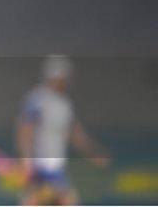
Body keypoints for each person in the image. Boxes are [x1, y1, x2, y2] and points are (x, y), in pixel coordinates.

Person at [16, 55, 110, 205]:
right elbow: (25, 131)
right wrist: (27, 160)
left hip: (55, 166)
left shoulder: (65, 104)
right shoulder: (37, 99)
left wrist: (94, 154)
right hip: (40, 166)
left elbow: (75, 134)